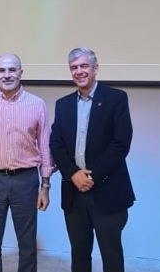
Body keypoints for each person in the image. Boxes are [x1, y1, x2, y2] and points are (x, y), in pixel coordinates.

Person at [49, 47, 135, 272]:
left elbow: (120, 144)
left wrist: (90, 176)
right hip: (74, 193)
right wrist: (73, 174)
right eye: (74, 68)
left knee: (111, 256)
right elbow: (55, 144)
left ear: (95, 68)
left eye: (83, 66)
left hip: (107, 191)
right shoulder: (63, 104)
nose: (79, 71)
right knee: (79, 255)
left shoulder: (116, 98)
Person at [0, 53, 54, 272]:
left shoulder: (37, 104)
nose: (7, 75)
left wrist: (45, 186)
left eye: (12, 70)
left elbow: (45, 146)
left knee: (27, 244)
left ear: (21, 73)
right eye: (2, 70)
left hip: (26, 181)